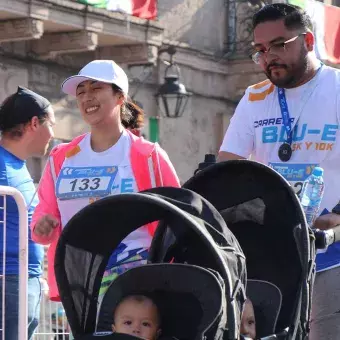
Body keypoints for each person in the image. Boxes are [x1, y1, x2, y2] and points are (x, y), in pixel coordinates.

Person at [218, 3, 340, 338]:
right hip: (274, 251)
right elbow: (227, 166)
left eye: (279, 45)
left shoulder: (337, 88)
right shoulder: (255, 97)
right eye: (260, 49)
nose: (268, 56)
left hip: (332, 248)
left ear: (309, 40)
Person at [30, 59, 180, 302]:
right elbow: (43, 214)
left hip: (140, 282)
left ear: (120, 97)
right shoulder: (61, 157)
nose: (87, 97)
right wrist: (42, 226)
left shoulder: (148, 155)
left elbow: (177, 219)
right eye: (81, 92)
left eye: (96, 88)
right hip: (80, 282)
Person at [0, 86, 55, 339]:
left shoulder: (17, 165)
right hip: (9, 279)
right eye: (51, 125)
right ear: (35, 123)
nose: (52, 135)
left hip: (22, 280)